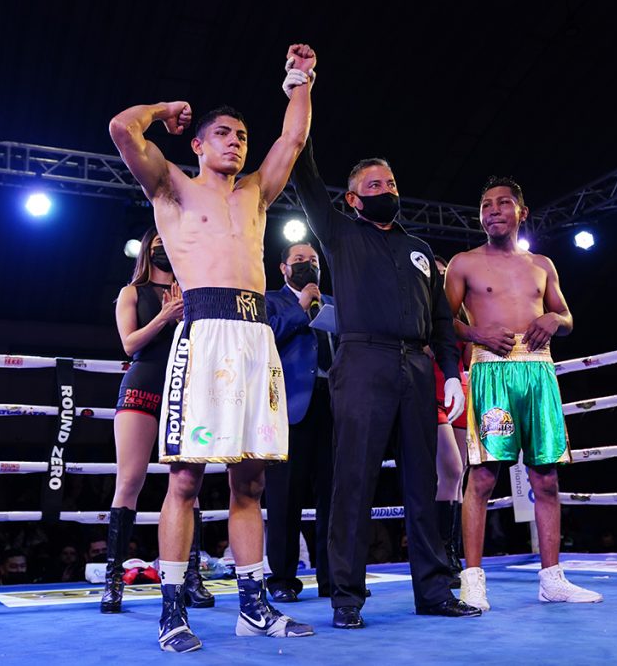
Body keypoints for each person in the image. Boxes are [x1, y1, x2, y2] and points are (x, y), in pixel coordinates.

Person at [109, 43, 316, 652]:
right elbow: (122, 128)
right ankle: (172, 609)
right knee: (184, 481)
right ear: (197, 144)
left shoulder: (255, 192)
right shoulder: (171, 186)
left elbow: (293, 141)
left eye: (242, 134)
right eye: (223, 133)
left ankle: (253, 605)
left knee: (250, 484)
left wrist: (300, 79)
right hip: (203, 337)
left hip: (256, 338)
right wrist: (164, 107)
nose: (236, 142)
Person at [283, 71, 479, 629]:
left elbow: (443, 321)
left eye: (389, 181)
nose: (384, 188)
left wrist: (449, 374)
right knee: (354, 478)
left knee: (424, 483)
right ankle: (346, 596)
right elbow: (303, 168)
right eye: (373, 184)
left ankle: (435, 592)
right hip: (362, 361)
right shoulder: (340, 233)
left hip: (418, 366)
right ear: (352, 197)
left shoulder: (420, 248)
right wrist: (301, 86)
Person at [446, 176, 602, 609]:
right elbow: (442, 321)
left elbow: (565, 314)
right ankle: (472, 581)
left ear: (521, 212)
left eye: (502, 203)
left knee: (546, 477)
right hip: (491, 370)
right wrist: (476, 331)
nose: (493, 210)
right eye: (485, 205)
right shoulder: (464, 263)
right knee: (482, 476)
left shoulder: (542, 265)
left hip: (538, 371)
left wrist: (556, 320)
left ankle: (552, 579)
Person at [101, 229, 213, 613]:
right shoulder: (133, 291)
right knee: (129, 480)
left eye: (169, 243)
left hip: (185, 387)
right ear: (148, 252)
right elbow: (129, 344)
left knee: (187, 484)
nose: (164, 250)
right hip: (143, 384)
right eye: (157, 245)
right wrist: (165, 316)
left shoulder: (195, 290)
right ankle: (113, 582)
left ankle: (191, 578)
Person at [263, 241, 334, 602]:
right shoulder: (270, 301)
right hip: (288, 407)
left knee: (334, 496)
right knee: (284, 496)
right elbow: (265, 340)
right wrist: (301, 306)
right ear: (283, 268)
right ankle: (281, 579)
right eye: (299, 260)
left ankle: (333, 577)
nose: (308, 265)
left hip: (333, 407)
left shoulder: (335, 304)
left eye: (314, 260)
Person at [431, 257, 469, 589]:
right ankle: (441, 553)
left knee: (458, 479)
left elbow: (469, 358)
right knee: (452, 470)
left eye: (447, 275)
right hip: (431, 393)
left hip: (460, 394)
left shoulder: (461, 317)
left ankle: (452, 553)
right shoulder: (421, 312)